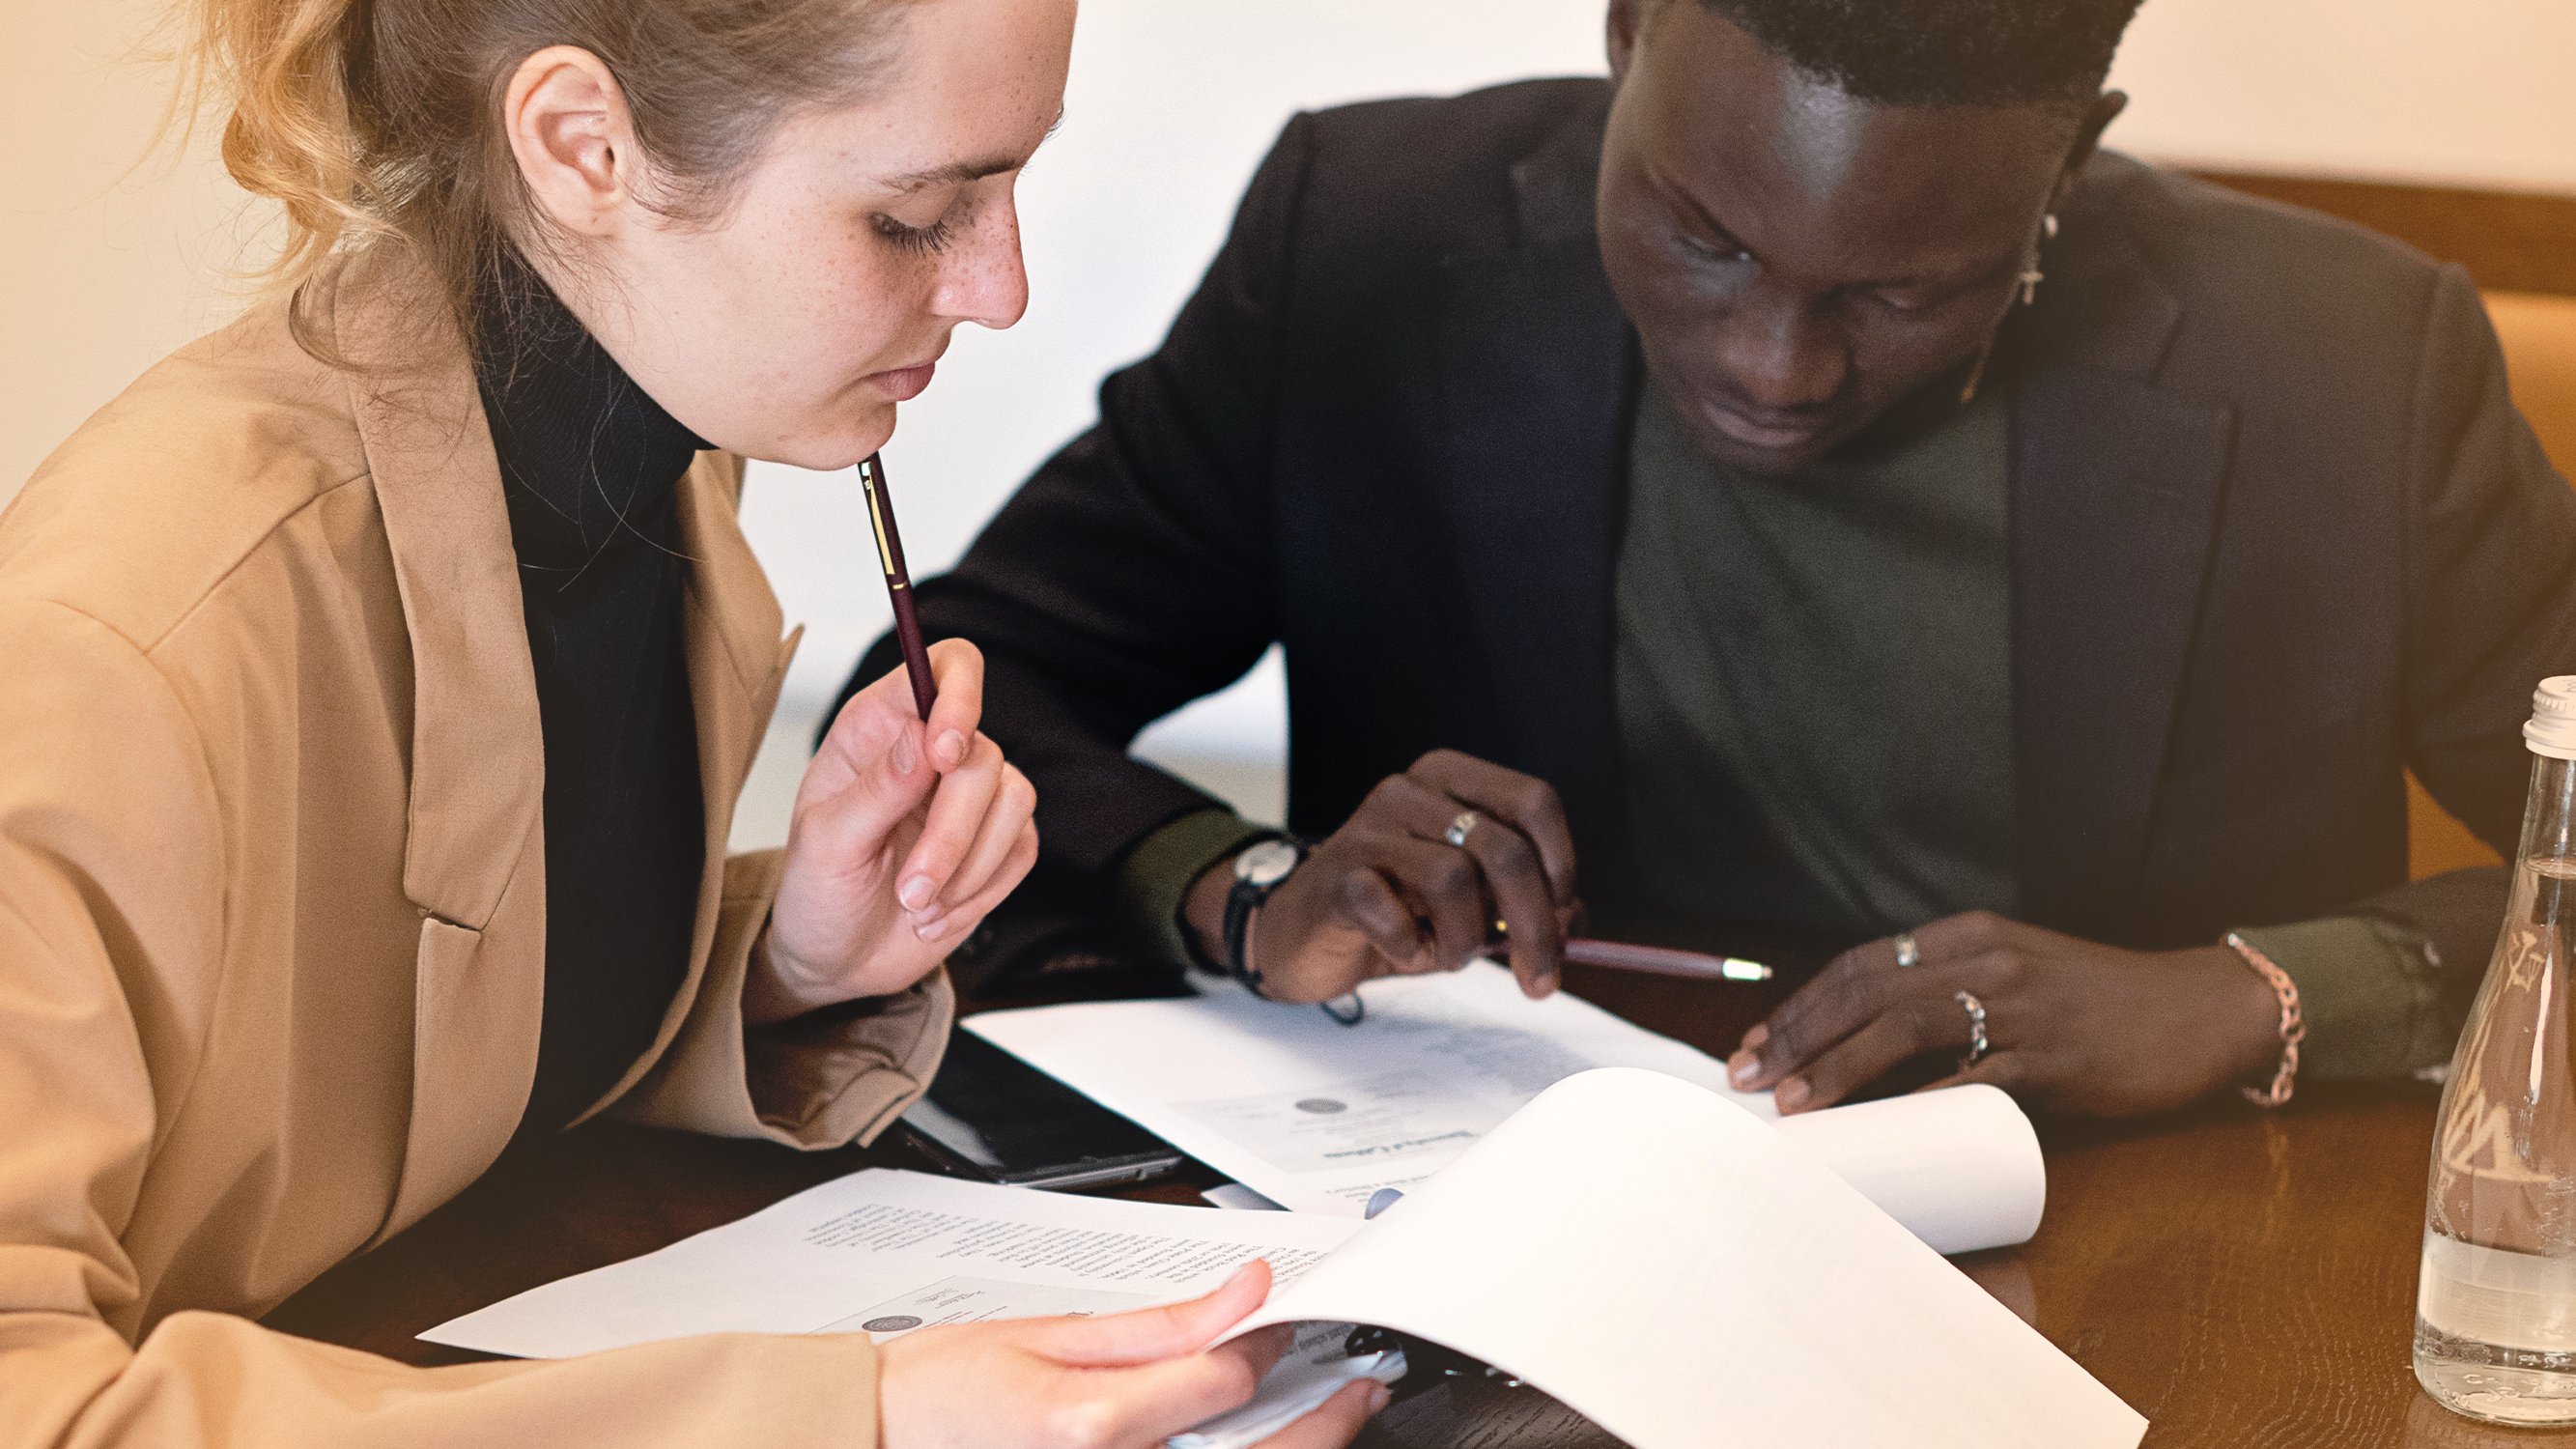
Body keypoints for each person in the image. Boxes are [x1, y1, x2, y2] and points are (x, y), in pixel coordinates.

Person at [0, 0, 1383, 1444]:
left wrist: (781, 966)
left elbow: (374, 1077)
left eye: (1009, 185)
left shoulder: (658, 478)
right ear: (582, 146)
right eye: (913, 216)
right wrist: (858, 1424)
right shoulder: (119, 646)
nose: (999, 288)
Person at [838, 0, 2576, 1118]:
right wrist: (1244, 891)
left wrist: (2244, 997)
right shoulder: (1371, 234)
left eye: (1900, 295)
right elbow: (946, 696)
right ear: (1626, 33)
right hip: (1487, 1212)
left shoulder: (2344, 362)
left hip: (2129, 1231)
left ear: (2068, 154)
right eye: (1697, 236)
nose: (1771, 367)